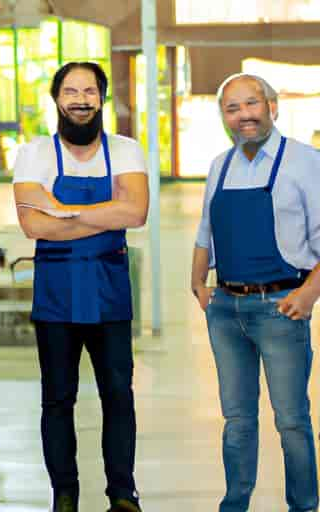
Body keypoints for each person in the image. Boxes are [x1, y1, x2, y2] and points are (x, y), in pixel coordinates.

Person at [13, 62, 148, 512]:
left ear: (102, 98)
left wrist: (64, 211)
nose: (80, 99)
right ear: (56, 99)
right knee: (57, 398)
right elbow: (33, 224)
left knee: (118, 395)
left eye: (89, 91)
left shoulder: (126, 150)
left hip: (109, 292)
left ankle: (122, 493)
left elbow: (136, 214)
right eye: (70, 91)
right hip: (56, 293)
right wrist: (103, 213)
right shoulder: (35, 153)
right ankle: (64, 494)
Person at [191, 73, 320, 512]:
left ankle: (303, 506)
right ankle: (235, 503)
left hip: (280, 309)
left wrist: (308, 295)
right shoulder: (220, 165)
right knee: (237, 420)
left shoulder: (305, 161)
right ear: (224, 117)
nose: (243, 115)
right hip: (226, 310)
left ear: (272, 106)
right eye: (232, 108)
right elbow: (206, 230)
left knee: (291, 422)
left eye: (251, 104)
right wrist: (198, 283)